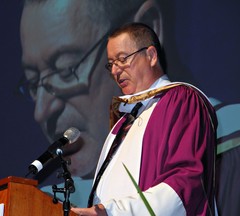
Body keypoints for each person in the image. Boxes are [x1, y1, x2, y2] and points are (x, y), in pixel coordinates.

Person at [19, 0, 163, 207]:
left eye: (66, 69)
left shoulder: (214, 146)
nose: (40, 112)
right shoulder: (45, 204)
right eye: (33, 82)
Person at [72, 23, 217, 215]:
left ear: (151, 56)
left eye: (122, 59)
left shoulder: (180, 100)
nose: (115, 71)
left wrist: (111, 212)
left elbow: (184, 183)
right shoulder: (122, 123)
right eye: (111, 64)